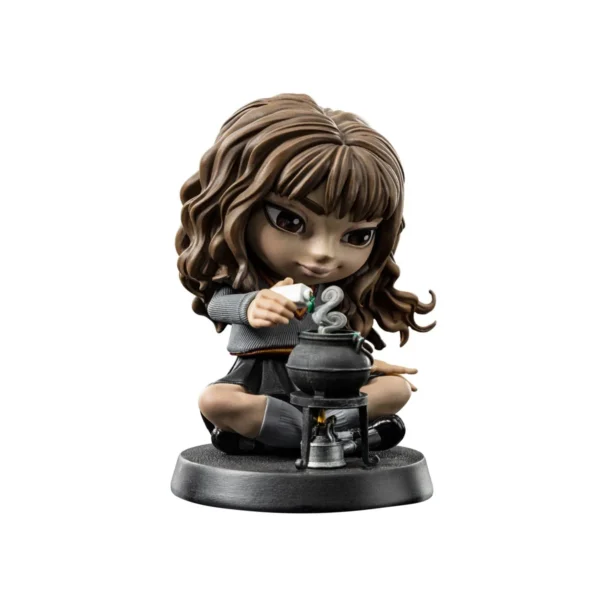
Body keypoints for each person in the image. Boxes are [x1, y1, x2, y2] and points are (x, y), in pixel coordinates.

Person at [176, 93, 435, 455]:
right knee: (216, 400)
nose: (324, 253)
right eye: (290, 221)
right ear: (237, 206)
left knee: (395, 389)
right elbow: (217, 305)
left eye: (357, 236)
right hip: (262, 377)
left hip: (324, 380)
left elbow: (338, 337)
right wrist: (251, 306)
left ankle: (300, 436)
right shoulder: (251, 284)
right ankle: (330, 439)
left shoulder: (334, 294)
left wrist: (365, 366)